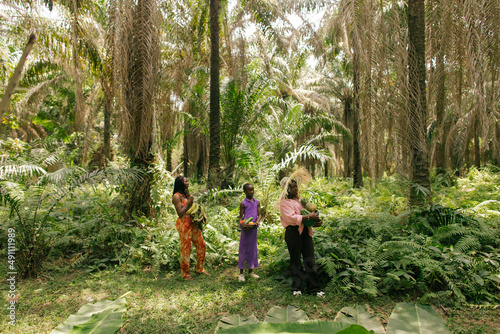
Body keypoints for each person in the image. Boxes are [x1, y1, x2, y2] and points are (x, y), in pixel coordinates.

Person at [279, 178, 325, 297]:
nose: (296, 189)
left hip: (305, 231)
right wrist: (308, 217)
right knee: (295, 260)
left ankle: (314, 288)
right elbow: (291, 218)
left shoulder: (301, 201)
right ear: (287, 189)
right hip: (293, 232)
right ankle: (297, 288)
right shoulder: (284, 203)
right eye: (293, 187)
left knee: (310, 258)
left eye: (296, 187)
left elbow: (308, 217)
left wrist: (316, 221)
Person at [172, 175, 208, 280]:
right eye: (185, 181)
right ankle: (185, 274)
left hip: (193, 223)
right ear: (180, 183)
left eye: (187, 181)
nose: (187, 183)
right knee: (186, 248)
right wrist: (188, 202)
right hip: (183, 224)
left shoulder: (187, 195)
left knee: (202, 244)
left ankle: (200, 269)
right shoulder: (177, 196)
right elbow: (180, 213)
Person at [238, 183, 262, 282]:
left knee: (252, 249)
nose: (251, 192)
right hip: (245, 229)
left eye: (252, 190)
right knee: (244, 249)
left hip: (253, 228)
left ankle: (251, 271)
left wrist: (257, 221)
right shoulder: (243, 203)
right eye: (249, 190)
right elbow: (240, 217)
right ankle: (241, 273)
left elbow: (259, 214)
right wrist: (243, 224)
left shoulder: (257, 202)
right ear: (244, 191)